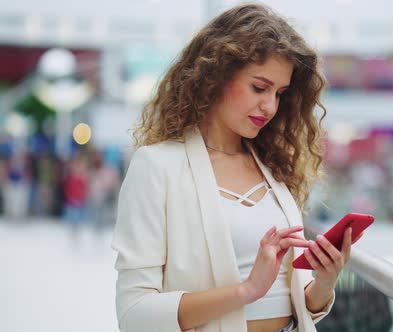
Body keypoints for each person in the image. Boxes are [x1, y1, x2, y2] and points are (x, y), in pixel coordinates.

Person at [111, 4, 363, 332]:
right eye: (259, 88)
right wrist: (246, 291)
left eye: (280, 93)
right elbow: (134, 315)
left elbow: (292, 304)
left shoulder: (273, 169)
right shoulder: (157, 167)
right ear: (216, 75)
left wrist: (324, 283)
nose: (270, 106)